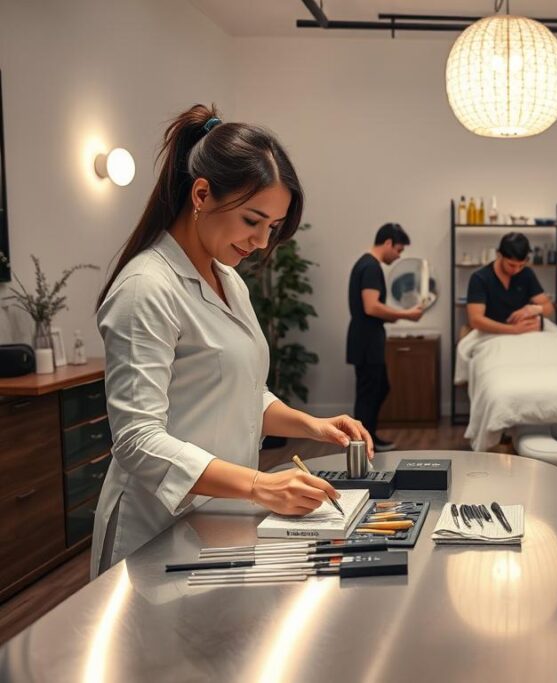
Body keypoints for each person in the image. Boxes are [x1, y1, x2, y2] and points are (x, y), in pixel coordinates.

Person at [92, 104, 373, 578]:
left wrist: (313, 425)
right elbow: (137, 440)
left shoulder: (229, 280)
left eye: (272, 228)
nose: (262, 242)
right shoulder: (147, 287)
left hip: (216, 518)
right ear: (201, 193)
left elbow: (242, 391)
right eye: (252, 221)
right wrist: (262, 485)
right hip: (154, 527)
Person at [347, 223, 423, 452]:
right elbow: (371, 307)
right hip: (367, 341)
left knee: (377, 389)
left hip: (366, 338)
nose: (398, 255)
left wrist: (394, 316)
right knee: (369, 393)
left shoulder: (366, 264)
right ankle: (363, 443)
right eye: (398, 250)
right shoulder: (371, 267)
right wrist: (406, 314)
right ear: (388, 243)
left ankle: (367, 438)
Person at [466, 232, 554, 335]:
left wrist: (536, 309)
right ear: (499, 255)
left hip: (525, 333)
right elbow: (475, 320)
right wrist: (513, 330)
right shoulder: (480, 278)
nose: (516, 270)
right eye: (511, 265)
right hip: (492, 334)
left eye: (521, 265)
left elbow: (549, 308)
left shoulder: (527, 274)